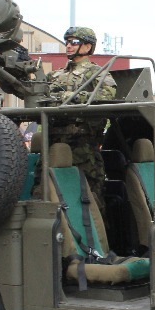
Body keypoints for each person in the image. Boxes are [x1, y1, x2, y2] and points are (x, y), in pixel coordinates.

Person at [46, 26, 117, 216]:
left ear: (87, 46)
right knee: (44, 193)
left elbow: (107, 95)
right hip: (54, 144)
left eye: (74, 42)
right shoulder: (55, 75)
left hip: (83, 146)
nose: (68, 46)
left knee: (89, 199)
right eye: (67, 42)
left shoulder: (97, 72)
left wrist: (70, 97)